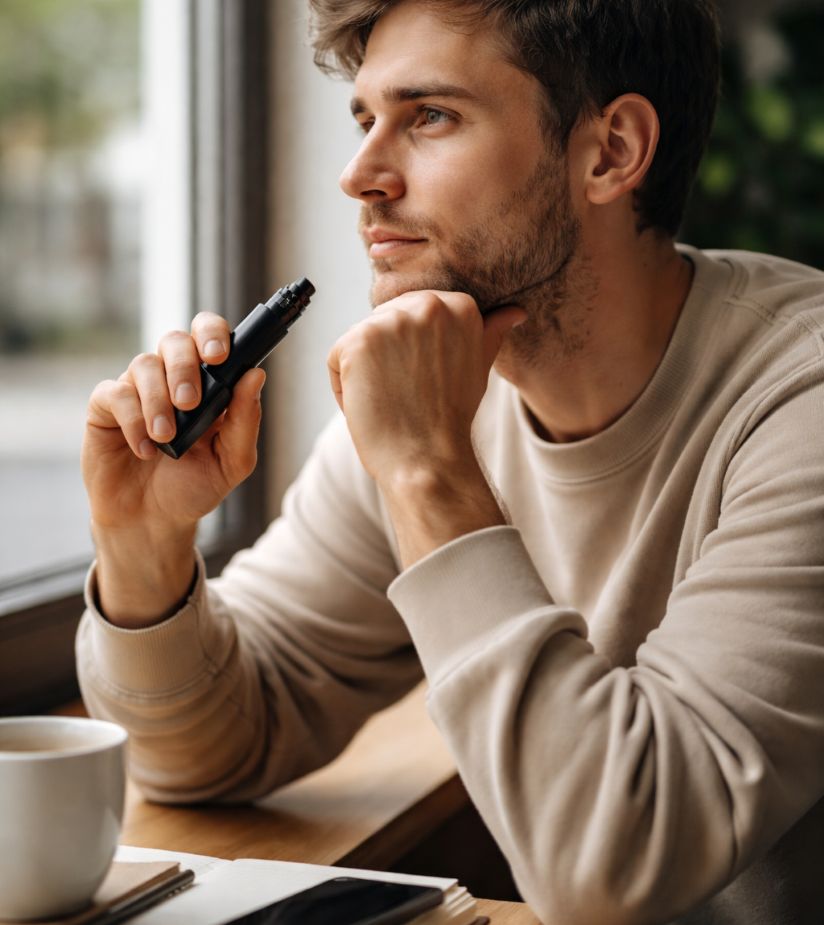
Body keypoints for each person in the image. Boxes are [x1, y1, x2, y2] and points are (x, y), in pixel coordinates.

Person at [76, 0, 824, 922]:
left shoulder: (803, 402)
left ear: (612, 151)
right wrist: (145, 542)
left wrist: (430, 472)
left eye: (429, 116)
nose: (359, 174)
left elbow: (615, 870)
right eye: (364, 119)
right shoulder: (438, 394)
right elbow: (206, 747)